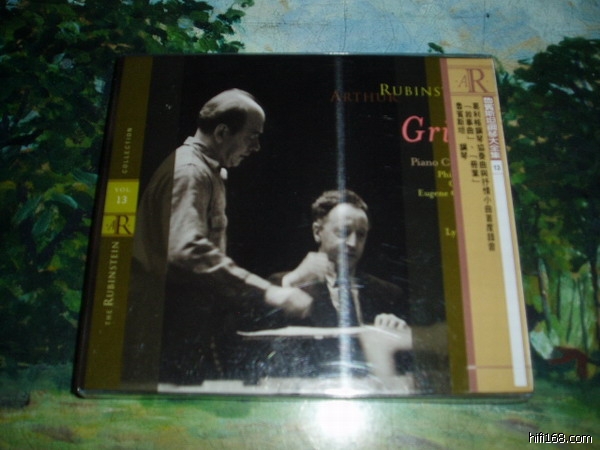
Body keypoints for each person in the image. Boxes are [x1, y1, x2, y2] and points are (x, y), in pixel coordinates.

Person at [122, 89, 312, 386]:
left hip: (181, 322)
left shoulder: (205, 170)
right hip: (165, 325)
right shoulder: (190, 172)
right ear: (222, 132)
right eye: (252, 137)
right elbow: (185, 250)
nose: (256, 147)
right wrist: (267, 290)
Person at [261, 189, 412, 381]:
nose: (353, 243)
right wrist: (292, 281)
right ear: (317, 232)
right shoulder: (282, 283)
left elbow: (406, 366)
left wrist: (398, 332)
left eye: (361, 235)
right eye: (343, 232)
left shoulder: (388, 294)